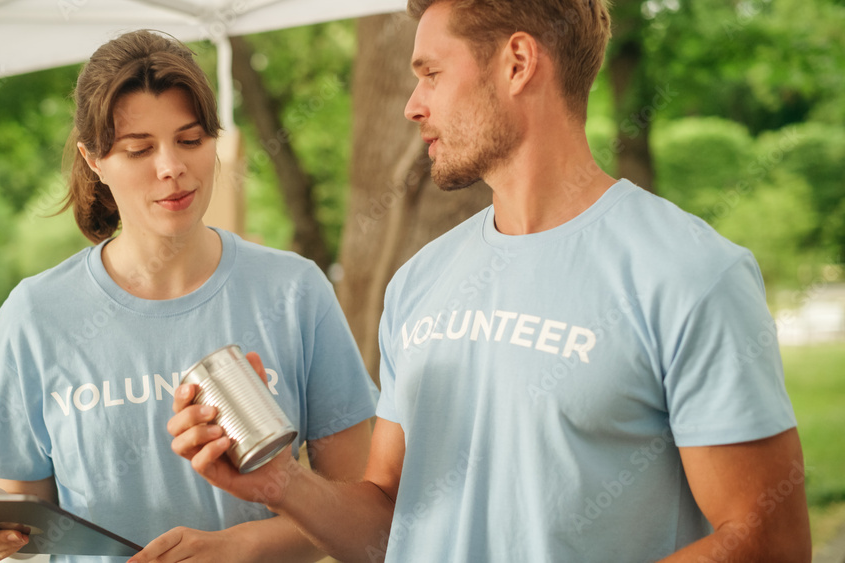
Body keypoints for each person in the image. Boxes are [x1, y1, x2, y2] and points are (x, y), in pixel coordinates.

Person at [169, 1, 812, 561]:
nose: (412, 105)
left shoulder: (689, 273)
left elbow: (767, 542)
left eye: (431, 74)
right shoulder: (418, 281)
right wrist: (283, 483)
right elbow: (389, 528)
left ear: (517, 63)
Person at [0, 29, 378, 563]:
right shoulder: (36, 314)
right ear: (93, 161)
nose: (171, 167)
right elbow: (29, 509)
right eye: (139, 149)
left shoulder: (296, 291)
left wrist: (242, 547)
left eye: (190, 140)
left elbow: (360, 514)